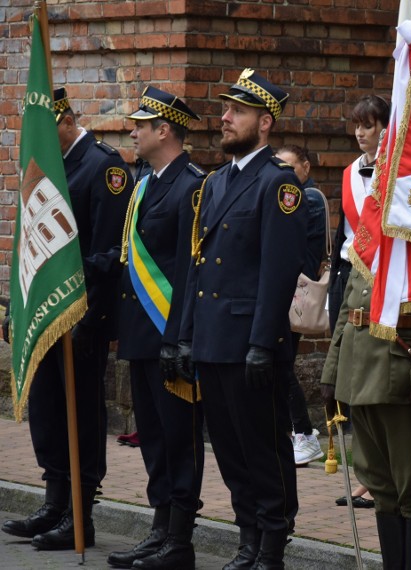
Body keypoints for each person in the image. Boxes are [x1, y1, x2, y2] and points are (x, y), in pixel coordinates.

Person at [173, 68, 307, 570]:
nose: (224, 118)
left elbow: (277, 271)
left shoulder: (278, 183)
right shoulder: (216, 181)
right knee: (229, 449)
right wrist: (186, 335)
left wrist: (264, 343)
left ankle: (272, 544)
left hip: (250, 340)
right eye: (226, 110)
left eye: (237, 112)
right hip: (212, 336)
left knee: (263, 448)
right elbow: (196, 268)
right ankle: (248, 537)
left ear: (264, 123)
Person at [2, 88, 133, 551]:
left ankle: (81, 514)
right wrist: (18, 305)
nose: (37, 141)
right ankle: (54, 503)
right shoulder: (47, 168)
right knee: (46, 411)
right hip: (45, 315)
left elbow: (111, 251)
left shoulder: (104, 166)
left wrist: (82, 312)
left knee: (81, 415)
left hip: (81, 316)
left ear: (66, 120)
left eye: (44, 131)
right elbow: (31, 243)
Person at [320, 215, 411, 568]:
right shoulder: (371, 224)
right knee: (381, 487)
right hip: (359, 370)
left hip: (401, 373)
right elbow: (349, 305)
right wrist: (333, 370)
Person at [105, 87, 207, 570]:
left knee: (178, 439)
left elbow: (192, 271)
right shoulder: (145, 182)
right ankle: (159, 529)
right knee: (152, 436)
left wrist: (180, 338)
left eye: (139, 126)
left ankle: (179, 542)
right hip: (142, 334)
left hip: (170, 335)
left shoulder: (192, 185)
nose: (132, 131)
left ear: (163, 130)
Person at [326, 94, 390, 507]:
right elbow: (346, 232)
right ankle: (364, 470)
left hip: (383, 276)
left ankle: (377, 474)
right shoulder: (350, 173)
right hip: (351, 273)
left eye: (369, 125)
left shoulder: (400, 171)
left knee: (374, 375)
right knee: (349, 375)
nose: (361, 133)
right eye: (357, 125)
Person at [275, 144, 327, 466]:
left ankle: (304, 434)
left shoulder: (307, 198)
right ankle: (297, 432)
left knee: (282, 365)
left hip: (296, 292)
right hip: (290, 290)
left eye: (290, 167)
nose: (284, 174)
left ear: (305, 168)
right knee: (282, 364)